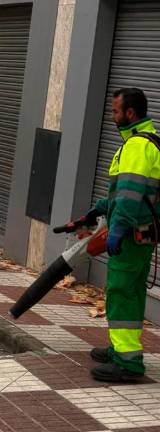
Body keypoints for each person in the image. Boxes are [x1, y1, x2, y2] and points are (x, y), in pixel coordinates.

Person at [83, 87, 160, 382]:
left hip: (130, 235)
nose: (112, 117)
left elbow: (129, 196)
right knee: (132, 291)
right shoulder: (146, 142)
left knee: (120, 292)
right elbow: (128, 193)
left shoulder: (137, 146)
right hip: (141, 233)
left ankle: (128, 363)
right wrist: (100, 207)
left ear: (130, 112)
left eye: (116, 111)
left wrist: (117, 229)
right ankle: (121, 349)